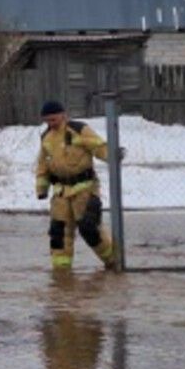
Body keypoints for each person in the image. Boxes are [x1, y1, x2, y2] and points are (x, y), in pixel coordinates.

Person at [35, 101, 119, 270]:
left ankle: (114, 262)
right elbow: (43, 164)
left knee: (90, 229)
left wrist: (113, 155)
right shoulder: (46, 137)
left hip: (84, 188)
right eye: (47, 121)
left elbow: (98, 146)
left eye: (53, 119)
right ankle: (61, 274)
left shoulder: (78, 129)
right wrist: (41, 188)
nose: (51, 124)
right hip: (60, 192)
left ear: (63, 115)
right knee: (59, 234)